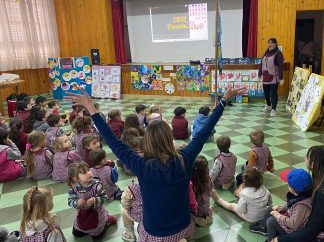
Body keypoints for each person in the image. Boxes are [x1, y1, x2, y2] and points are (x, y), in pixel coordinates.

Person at [65, 87, 246, 241]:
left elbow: (112, 140)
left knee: (136, 222)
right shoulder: (185, 157)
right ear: (170, 139)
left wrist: (90, 107)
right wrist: (223, 101)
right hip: (185, 227)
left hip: (154, 233)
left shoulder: (141, 165)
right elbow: (205, 130)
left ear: (148, 141)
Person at [271, 146, 324, 242]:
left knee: (278, 225)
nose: (305, 158)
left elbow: (312, 229)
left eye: (307, 157)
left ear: (312, 164)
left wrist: (280, 239)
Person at [249, 169, 313, 242]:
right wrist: (282, 208)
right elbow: (290, 204)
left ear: (292, 189)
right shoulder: (300, 194)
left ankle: (271, 240)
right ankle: (263, 228)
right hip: (290, 217)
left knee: (271, 221)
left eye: (288, 184)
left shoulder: (302, 206)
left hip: (293, 229)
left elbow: (294, 224)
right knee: (271, 208)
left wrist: (279, 216)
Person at [67, 162, 117, 238]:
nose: (89, 173)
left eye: (88, 170)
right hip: (82, 215)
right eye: (84, 173)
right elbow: (70, 201)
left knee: (97, 236)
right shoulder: (73, 188)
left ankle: (106, 221)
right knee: (76, 234)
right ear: (75, 178)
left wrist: (94, 200)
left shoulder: (97, 184)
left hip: (98, 215)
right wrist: (77, 202)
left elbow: (104, 197)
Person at [258, 38, 284, 117]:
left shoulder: (278, 53)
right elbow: (261, 63)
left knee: (273, 94)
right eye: (269, 43)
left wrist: (281, 78)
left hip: (273, 78)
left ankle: (273, 109)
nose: (270, 44)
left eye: (272, 43)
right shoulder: (266, 52)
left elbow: (280, 66)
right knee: (266, 94)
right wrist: (259, 73)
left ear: (275, 44)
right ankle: (268, 106)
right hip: (265, 78)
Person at [192, 156, 213, 227]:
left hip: (197, 211)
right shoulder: (209, 180)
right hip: (204, 209)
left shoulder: (193, 184)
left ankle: (197, 218)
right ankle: (202, 217)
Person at [121, 176, 143, 242]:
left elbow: (125, 205)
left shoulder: (131, 188)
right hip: (155, 213)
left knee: (124, 211)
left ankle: (130, 234)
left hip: (140, 216)